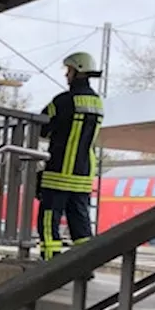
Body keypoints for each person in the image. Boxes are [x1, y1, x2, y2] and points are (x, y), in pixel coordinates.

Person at [37, 52, 105, 260]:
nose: (67, 75)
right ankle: (84, 264)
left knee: (49, 219)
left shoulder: (63, 101)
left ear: (77, 71)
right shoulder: (97, 102)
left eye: (69, 70)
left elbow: (42, 126)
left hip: (59, 169)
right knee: (80, 221)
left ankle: (50, 263)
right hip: (84, 173)